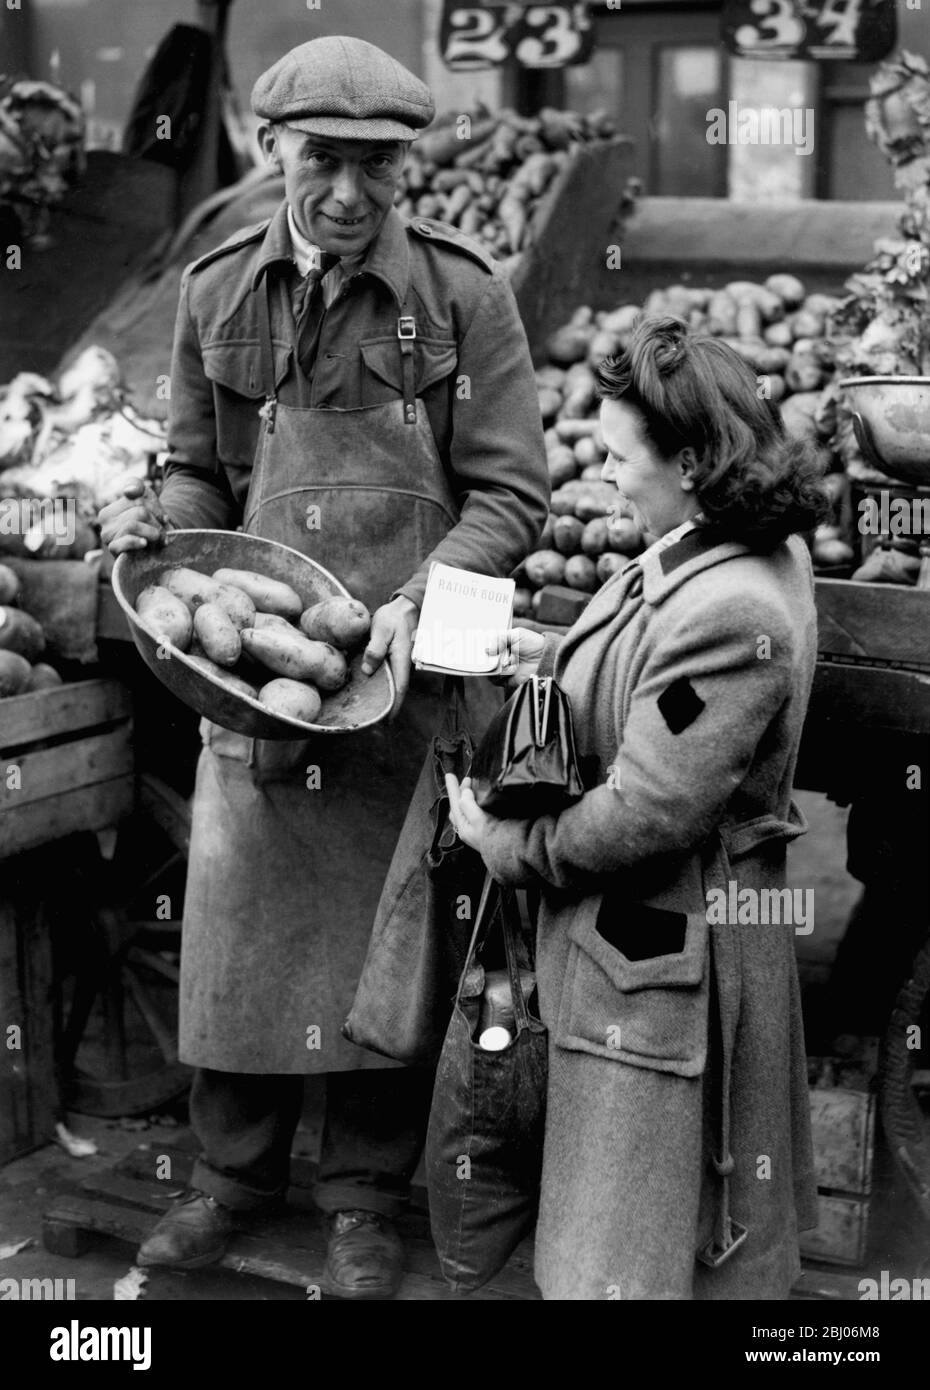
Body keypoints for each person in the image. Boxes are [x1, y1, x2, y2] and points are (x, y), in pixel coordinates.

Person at [98, 35, 548, 1299]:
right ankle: (231, 1181)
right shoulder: (217, 291)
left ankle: (360, 1202)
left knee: (379, 954)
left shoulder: (464, 297)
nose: (349, 193)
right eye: (321, 161)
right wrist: (165, 530)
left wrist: (415, 606)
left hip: (395, 689)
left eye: (376, 167)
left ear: (408, 167)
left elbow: (513, 499)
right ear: (269, 149)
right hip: (261, 680)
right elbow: (195, 467)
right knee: (235, 934)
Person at [447, 316, 826, 1300]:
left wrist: (507, 844)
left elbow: (648, 811)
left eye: (621, 456)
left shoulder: (731, 609)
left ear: (693, 461)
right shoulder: (718, 547)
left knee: (641, 1248)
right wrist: (541, 669)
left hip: (669, 950)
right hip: (664, 944)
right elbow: (651, 693)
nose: (608, 476)